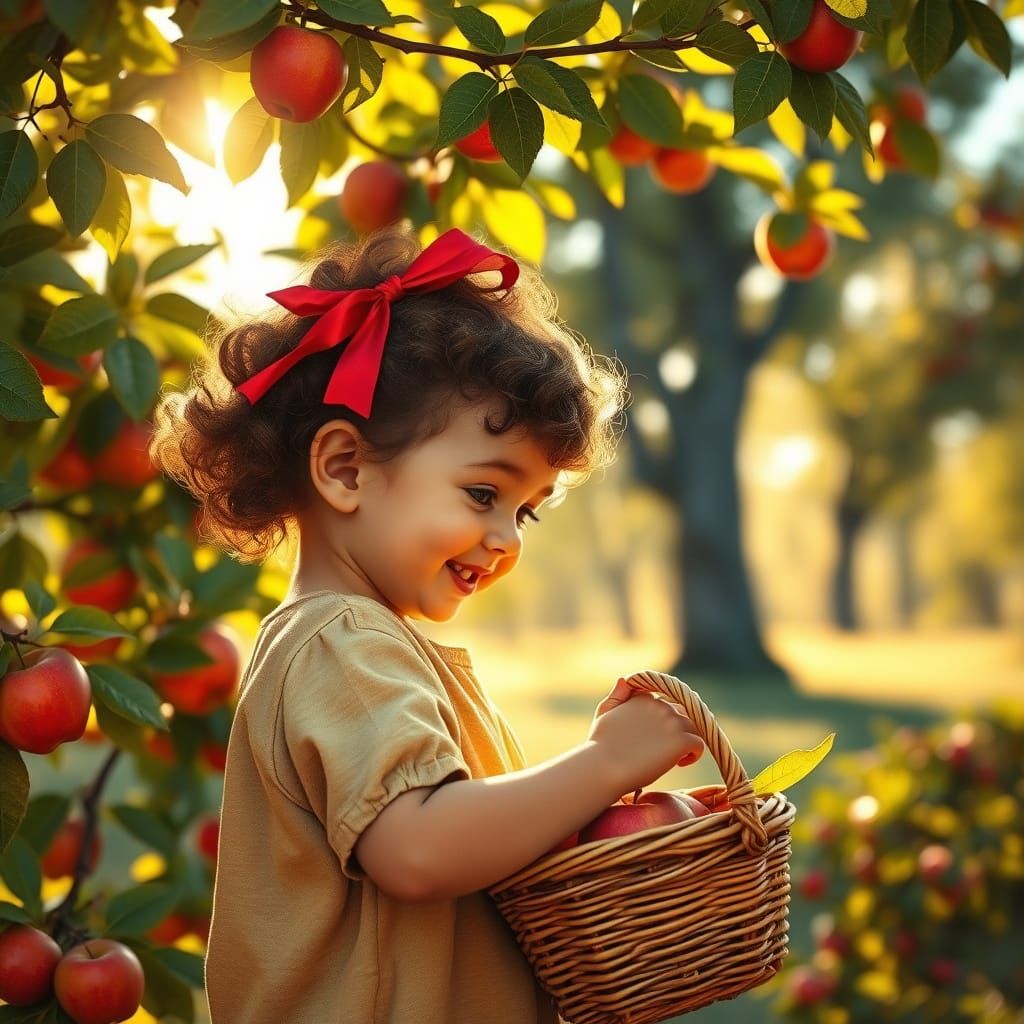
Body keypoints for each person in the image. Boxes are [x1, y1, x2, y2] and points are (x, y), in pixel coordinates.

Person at [149, 225, 705, 1024]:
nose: (508, 538)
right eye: (484, 494)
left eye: (526, 512)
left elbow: (459, 839)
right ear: (345, 469)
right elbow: (418, 850)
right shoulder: (342, 641)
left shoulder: (360, 641)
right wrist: (603, 764)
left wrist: (583, 807)